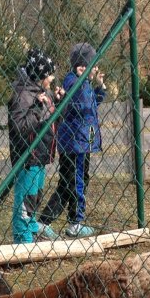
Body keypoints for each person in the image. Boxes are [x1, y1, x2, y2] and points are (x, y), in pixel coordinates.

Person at [39, 42, 106, 239]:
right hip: (75, 142)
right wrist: (65, 96)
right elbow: (78, 106)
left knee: (76, 181)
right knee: (73, 182)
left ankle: (71, 221)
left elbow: (91, 105)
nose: (96, 69)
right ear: (82, 67)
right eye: (93, 65)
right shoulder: (74, 82)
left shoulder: (82, 84)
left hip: (82, 141)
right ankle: (60, 221)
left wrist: (100, 88)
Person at [8, 48, 62, 244]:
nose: (52, 78)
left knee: (36, 194)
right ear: (41, 76)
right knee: (26, 197)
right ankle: (22, 237)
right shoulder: (23, 94)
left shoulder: (42, 92)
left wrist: (58, 102)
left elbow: (52, 119)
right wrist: (37, 108)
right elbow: (19, 126)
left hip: (41, 153)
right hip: (27, 155)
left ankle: (31, 227)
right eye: (50, 74)